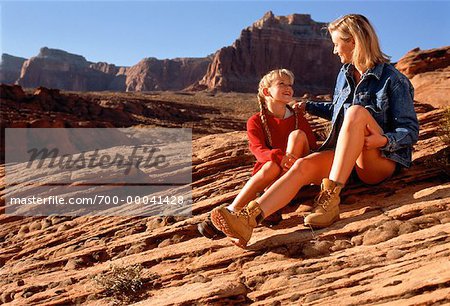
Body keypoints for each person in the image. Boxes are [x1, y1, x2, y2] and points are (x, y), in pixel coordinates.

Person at [210, 14, 419, 248]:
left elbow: (410, 130)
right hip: (345, 161)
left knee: (356, 112)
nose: (334, 51)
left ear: (353, 41)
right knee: (303, 165)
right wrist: (309, 106)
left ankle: (329, 201)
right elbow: (340, 111)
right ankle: (248, 220)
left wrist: (383, 140)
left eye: (336, 43)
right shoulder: (345, 74)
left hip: (377, 160)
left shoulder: (393, 79)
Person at [198, 69, 318, 239]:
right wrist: (278, 158)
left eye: (290, 84)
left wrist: (289, 160)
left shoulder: (299, 118)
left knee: (297, 135)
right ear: (266, 91)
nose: (288, 87)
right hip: (273, 171)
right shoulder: (255, 121)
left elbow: (311, 147)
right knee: (269, 166)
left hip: (297, 170)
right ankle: (233, 211)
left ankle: (269, 203)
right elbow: (258, 150)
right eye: (281, 84)